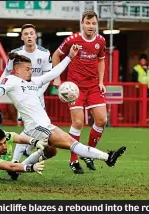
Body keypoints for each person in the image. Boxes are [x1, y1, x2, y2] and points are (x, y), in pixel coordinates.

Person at [0, 49, 126, 179]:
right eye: (27, 69)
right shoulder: (11, 80)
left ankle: (16, 169)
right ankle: (108, 157)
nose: (30, 72)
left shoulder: (33, 81)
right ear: (17, 69)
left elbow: (53, 73)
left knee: (51, 151)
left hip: (45, 124)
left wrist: (69, 57)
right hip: (36, 127)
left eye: (31, 69)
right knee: (71, 142)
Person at [52, 10, 108, 174]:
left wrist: (101, 81)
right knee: (78, 123)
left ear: (96, 24)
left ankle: (88, 153)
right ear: (82, 24)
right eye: (88, 23)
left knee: (102, 120)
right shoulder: (72, 40)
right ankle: (73, 160)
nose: (91, 26)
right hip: (75, 88)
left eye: (93, 23)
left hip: (93, 87)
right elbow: (56, 56)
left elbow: (101, 60)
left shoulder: (101, 41)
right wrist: (57, 79)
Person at [0, 24, 53, 163]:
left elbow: (48, 77)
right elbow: (7, 72)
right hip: (22, 95)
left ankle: (23, 154)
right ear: (22, 37)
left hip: (38, 94)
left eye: (31, 33)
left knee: (38, 129)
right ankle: (17, 160)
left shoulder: (45, 53)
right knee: (31, 128)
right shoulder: (16, 54)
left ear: (35, 35)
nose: (29, 36)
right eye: (25, 34)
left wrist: (38, 93)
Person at [132, 54, 149, 122]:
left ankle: (145, 119)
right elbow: (133, 79)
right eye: (141, 60)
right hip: (139, 89)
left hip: (148, 89)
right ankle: (138, 120)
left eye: (144, 60)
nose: (143, 61)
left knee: (147, 105)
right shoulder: (136, 68)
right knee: (138, 105)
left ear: (146, 61)